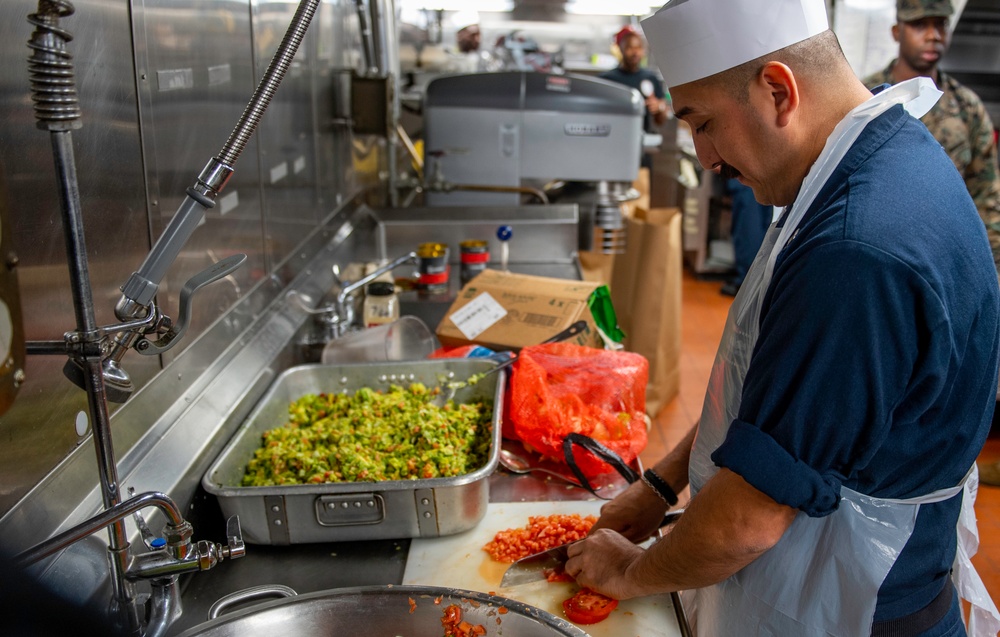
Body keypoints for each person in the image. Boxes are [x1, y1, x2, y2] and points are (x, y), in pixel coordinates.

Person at [563, 0, 1000, 635]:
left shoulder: (854, 249)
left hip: (858, 607)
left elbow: (748, 519)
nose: (706, 156)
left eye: (705, 122)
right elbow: (774, 400)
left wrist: (630, 572)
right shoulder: (874, 158)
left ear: (777, 89)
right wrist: (659, 486)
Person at [860, 0, 1000, 488]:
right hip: (881, 273)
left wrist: (989, 278)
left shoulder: (967, 110)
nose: (933, 35)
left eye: (940, 24)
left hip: (954, 278)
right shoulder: (870, 99)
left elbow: (988, 198)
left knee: (945, 393)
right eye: (921, 24)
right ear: (898, 29)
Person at [599, 26, 669, 169]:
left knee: (641, 190)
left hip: (641, 150)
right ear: (621, 49)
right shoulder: (607, 80)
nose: (635, 52)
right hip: (611, 148)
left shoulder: (651, 78)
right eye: (630, 47)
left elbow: (660, 120)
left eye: (638, 48)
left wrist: (660, 107)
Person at [720, 178, 773, 296]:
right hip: (768, 175)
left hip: (748, 175)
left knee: (747, 226)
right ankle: (755, 279)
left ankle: (745, 281)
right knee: (763, 224)